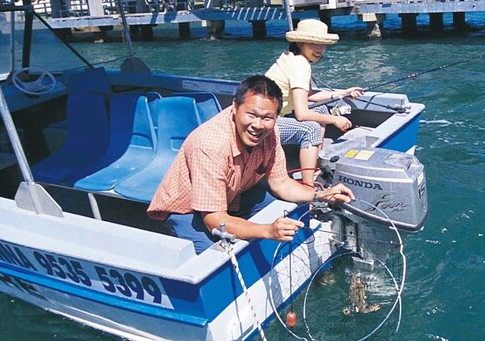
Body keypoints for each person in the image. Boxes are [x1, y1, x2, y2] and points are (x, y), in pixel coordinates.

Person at [146, 75, 355, 254]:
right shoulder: (210, 145)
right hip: (189, 210)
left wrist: (320, 194)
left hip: (236, 193)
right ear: (235, 107)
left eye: (267, 118)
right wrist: (267, 230)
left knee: (290, 210)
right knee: (218, 257)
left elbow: (281, 183)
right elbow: (214, 220)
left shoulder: (270, 132)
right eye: (251, 115)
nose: (258, 125)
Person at [265, 19, 363, 186]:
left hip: (274, 115)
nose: (319, 49)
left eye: (322, 44)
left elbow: (307, 94)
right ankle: (309, 185)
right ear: (300, 42)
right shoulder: (301, 65)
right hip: (267, 123)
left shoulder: (292, 57)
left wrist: (341, 94)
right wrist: (336, 120)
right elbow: (303, 114)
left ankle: (315, 162)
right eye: (313, 43)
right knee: (312, 128)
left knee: (322, 111)